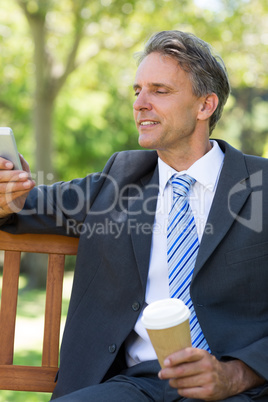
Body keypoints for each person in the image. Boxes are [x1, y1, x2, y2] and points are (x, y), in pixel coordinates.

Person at [0, 30, 267, 402]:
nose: (140, 103)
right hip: (134, 385)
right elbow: (23, 207)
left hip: (237, 388)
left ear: (205, 105)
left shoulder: (260, 184)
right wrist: (7, 195)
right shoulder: (120, 177)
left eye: (159, 90)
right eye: (137, 90)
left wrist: (237, 375)